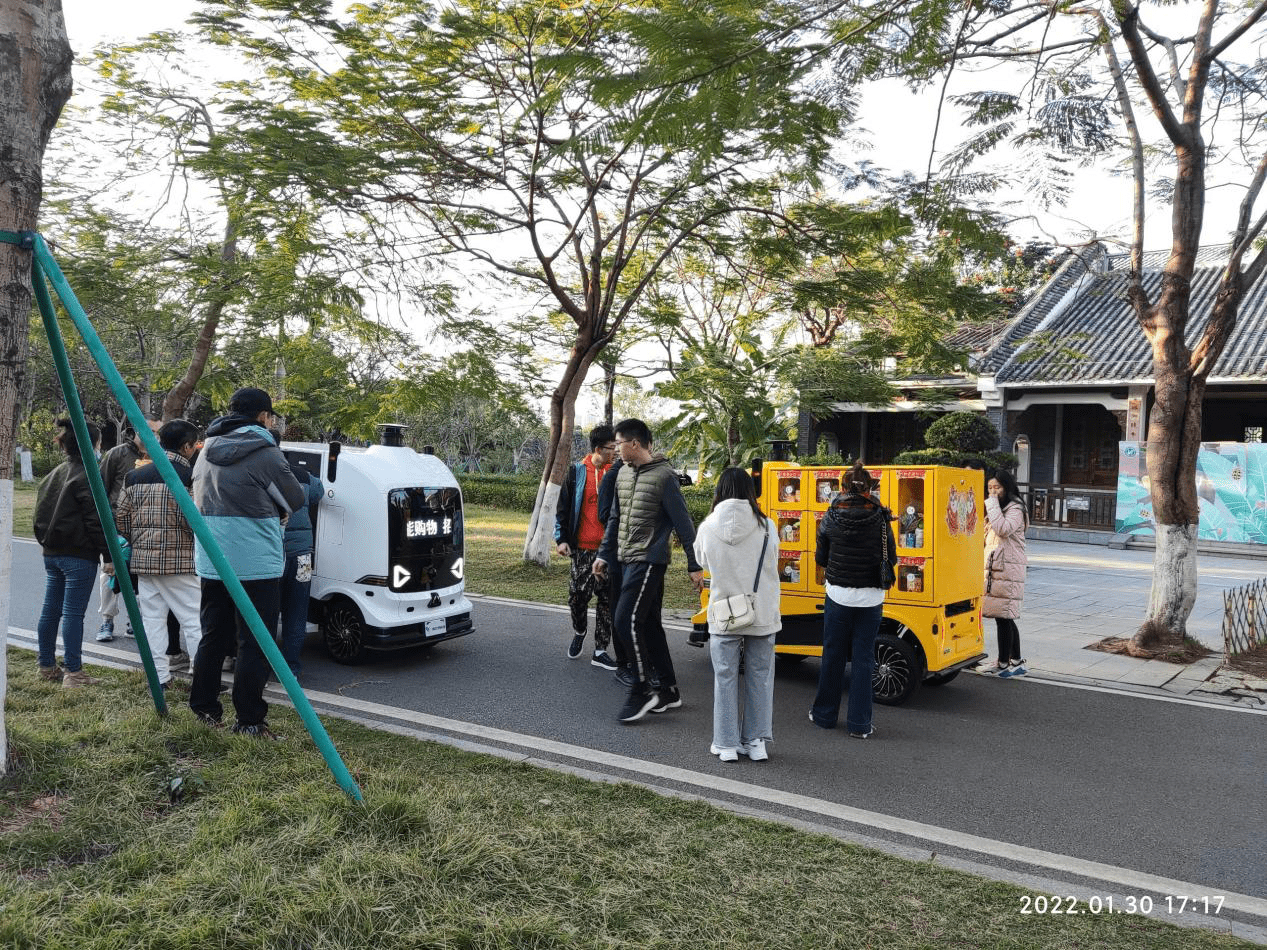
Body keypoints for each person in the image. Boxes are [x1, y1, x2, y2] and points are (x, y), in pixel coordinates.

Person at [188, 387, 306, 737]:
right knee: (254, 642)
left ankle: (204, 709)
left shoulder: (206, 450)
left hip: (212, 558)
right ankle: (250, 720)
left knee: (214, 635)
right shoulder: (266, 453)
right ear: (264, 417)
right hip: (256, 561)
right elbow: (295, 498)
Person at [594, 418, 704, 723]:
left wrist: (694, 565)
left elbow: (684, 524)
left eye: (618, 444)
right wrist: (604, 554)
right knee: (649, 625)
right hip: (626, 558)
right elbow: (614, 519)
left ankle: (642, 689)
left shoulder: (665, 476)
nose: (615, 449)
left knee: (625, 619)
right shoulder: (622, 475)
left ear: (634, 443)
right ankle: (668, 689)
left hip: (650, 559)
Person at [694, 468, 781, 762]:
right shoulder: (767, 526)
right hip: (762, 612)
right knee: (760, 677)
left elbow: (702, 561)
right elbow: (774, 560)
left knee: (725, 677)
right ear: (750, 491)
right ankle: (756, 743)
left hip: (724, 613)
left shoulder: (707, 527)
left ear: (720, 490)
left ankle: (726, 744)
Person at [809, 461, 897, 739]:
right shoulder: (881, 517)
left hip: (838, 595)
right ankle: (860, 725)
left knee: (833, 654)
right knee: (863, 659)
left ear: (843, 487)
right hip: (871, 598)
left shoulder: (831, 515)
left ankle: (824, 716)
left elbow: (820, 557)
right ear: (871, 487)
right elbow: (891, 557)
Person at [114, 419, 202, 689]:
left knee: (153, 621)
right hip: (181, 563)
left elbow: (122, 520)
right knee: (195, 620)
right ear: (187, 447)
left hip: (144, 562)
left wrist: (139, 539)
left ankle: (160, 677)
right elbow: (196, 522)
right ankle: (202, 678)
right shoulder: (190, 477)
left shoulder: (135, 475)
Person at [33, 418, 108, 688]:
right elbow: (95, 518)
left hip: (51, 552)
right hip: (78, 553)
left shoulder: (55, 473)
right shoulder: (88, 474)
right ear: (93, 445)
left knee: (51, 610)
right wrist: (107, 555)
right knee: (73, 613)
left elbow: (39, 512)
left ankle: (46, 665)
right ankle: (74, 673)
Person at [555, 424, 618, 669]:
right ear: (599, 449)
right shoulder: (577, 472)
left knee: (606, 600)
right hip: (582, 549)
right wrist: (561, 539)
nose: (615, 452)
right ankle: (579, 630)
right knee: (577, 597)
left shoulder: (617, 473)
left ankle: (600, 650)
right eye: (612, 448)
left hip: (609, 551)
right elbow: (563, 508)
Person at [95, 418, 161, 642]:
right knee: (109, 573)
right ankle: (107, 620)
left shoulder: (158, 457)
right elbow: (100, 488)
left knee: (141, 576)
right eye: (149, 430)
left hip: (145, 528)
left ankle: (135, 620)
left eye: (157, 432)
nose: (153, 435)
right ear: (135, 431)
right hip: (115, 526)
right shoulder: (117, 454)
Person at [271, 428, 323, 677]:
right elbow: (319, 493)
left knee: (268, 608)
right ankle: (291, 666)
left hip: (273, 553)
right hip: (303, 554)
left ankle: (265, 663)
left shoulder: (259, 471)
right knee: (297, 608)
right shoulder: (303, 474)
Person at [983, 469, 1029, 677]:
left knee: (1003, 617)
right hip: (999, 568)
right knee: (1005, 616)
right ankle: (1016, 661)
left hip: (1008, 569)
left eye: (997, 487)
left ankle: (1003, 663)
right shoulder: (1001, 508)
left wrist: (991, 504)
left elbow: (1002, 529)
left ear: (1007, 487)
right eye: (990, 488)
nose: (993, 492)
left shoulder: (1015, 508)